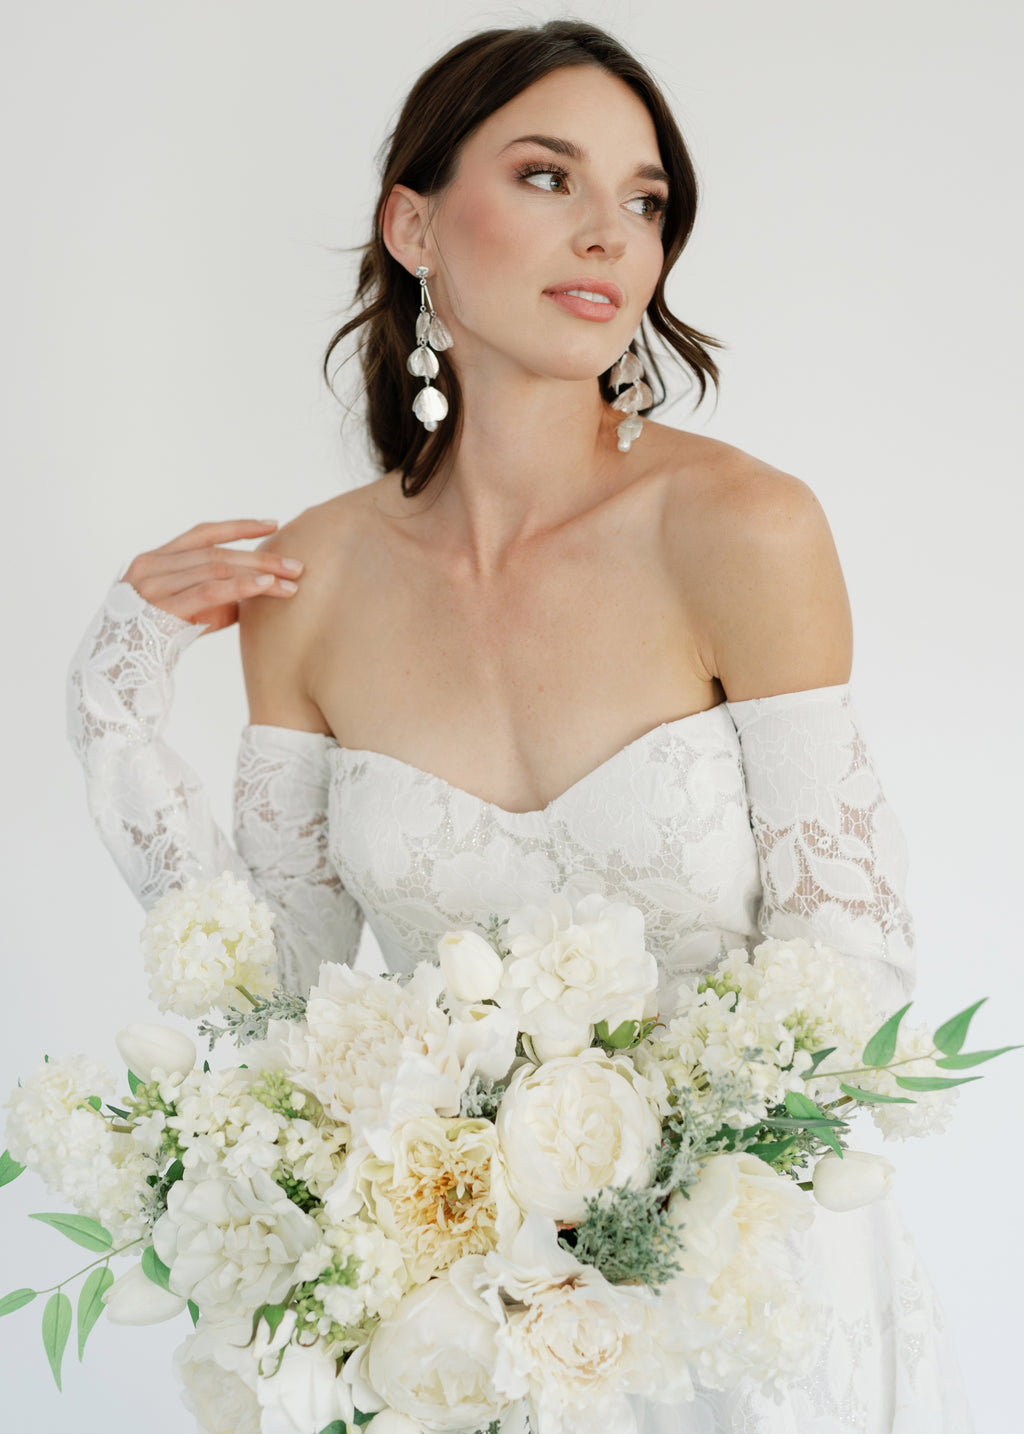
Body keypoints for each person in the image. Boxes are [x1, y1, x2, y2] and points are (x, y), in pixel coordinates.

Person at [65, 18, 973, 1433]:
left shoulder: (744, 529)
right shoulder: (308, 588)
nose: (609, 233)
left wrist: (641, 1220)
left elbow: (847, 959)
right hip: (468, 1348)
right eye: (549, 176)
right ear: (414, 222)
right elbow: (281, 1014)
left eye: (645, 198)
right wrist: (114, 699)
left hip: (757, 1310)